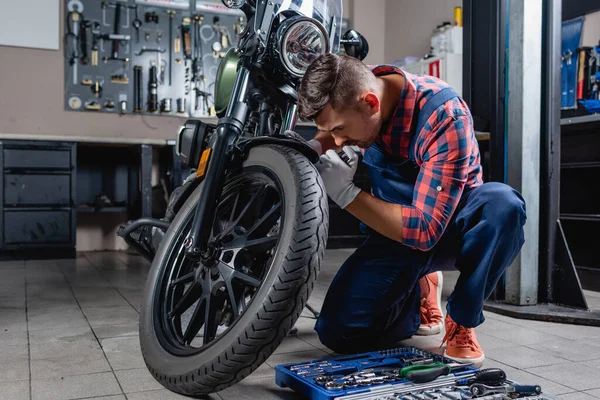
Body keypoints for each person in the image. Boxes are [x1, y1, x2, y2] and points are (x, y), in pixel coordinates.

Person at [292, 54, 527, 367]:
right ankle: (417, 293)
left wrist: (346, 194)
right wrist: (315, 146)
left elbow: (426, 230)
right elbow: (333, 122)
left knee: (503, 205)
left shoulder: (444, 115)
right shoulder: (358, 87)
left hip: (450, 229)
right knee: (339, 333)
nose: (338, 141)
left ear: (371, 104)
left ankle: (461, 320)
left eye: (340, 130)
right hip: (394, 234)